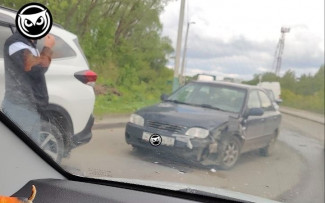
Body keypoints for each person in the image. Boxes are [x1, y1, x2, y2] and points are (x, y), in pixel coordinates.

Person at [1, 31, 55, 144]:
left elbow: (38, 71)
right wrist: (47, 48)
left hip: (29, 107)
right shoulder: (15, 44)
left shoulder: (30, 44)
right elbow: (37, 69)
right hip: (20, 107)